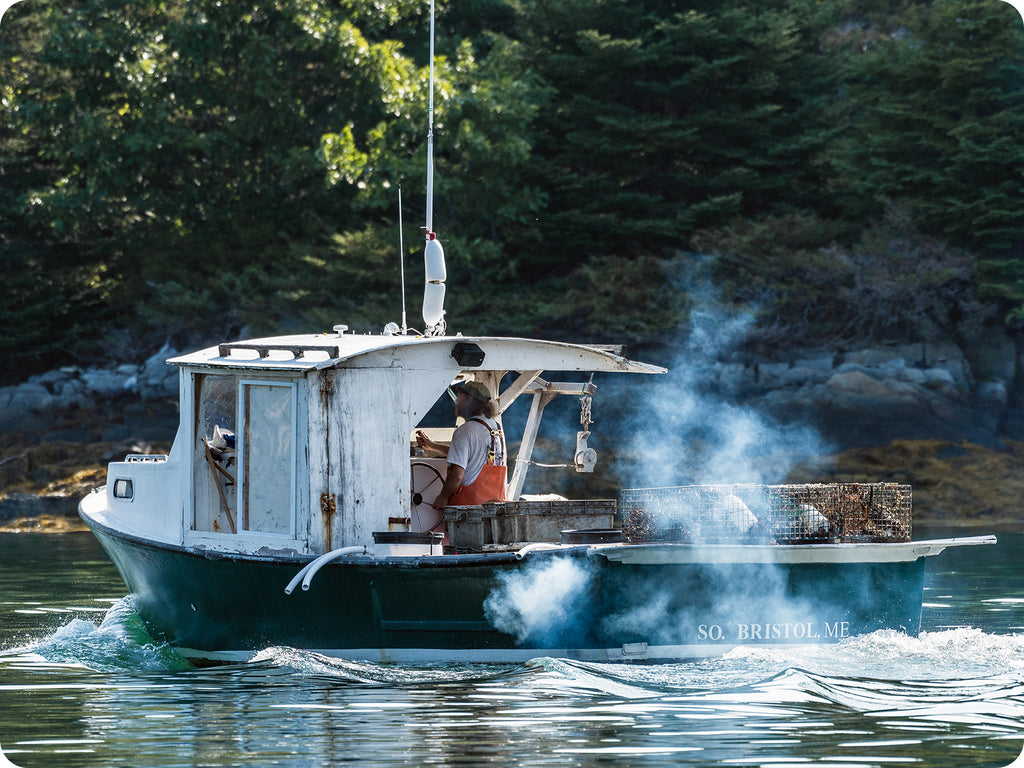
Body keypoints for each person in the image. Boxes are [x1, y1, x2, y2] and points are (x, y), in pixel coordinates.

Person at [416, 381, 507, 510]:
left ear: (469, 400)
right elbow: (471, 456)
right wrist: (432, 446)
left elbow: (457, 474)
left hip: (470, 509)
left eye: (460, 397)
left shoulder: (465, 431)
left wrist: (443, 496)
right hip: (496, 507)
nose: (457, 401)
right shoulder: (495, 428)